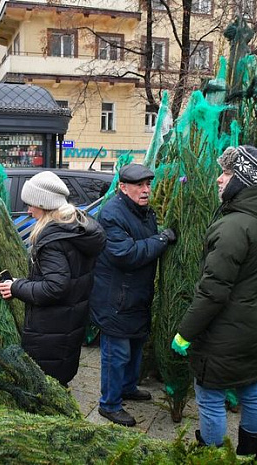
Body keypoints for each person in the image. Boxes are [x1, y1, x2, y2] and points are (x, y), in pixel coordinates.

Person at [172, 145, 257, 459]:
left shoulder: (234, 227)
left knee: (209, 396)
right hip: (256, 325)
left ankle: (212, 456)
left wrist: (186, 332)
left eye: (226, 173)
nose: (219, 180)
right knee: (252, 391)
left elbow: (213, 291)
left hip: (224, 331)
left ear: (243, 180)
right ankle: (253, 454)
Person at [0, 171, 105, 386]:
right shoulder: (76, 227)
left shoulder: (53, 239)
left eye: (31, 205)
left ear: (44, 204)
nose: (28, 210)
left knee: (46, 385)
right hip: (69, 321)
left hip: (50, 328)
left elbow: (55, 287)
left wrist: (16, 286)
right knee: (60, 378)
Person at [89, 163, 176, 427]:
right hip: (116, 299)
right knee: (117, 355)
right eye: (139, 185)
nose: (145, 190)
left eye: (148, 184)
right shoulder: (112, 214)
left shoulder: (143, 212)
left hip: (136, 296)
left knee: (136, 347)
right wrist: (162, 240)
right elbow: (126, 254)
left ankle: (127, 388)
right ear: (123, 187)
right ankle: (110, 404)